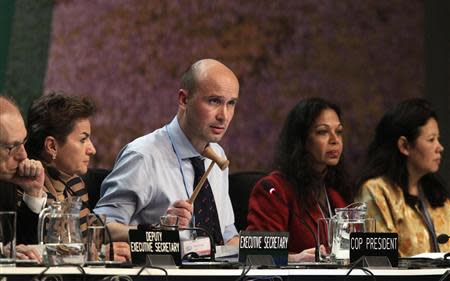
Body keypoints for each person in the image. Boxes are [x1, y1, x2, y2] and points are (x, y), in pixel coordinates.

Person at [95, 59, 240, 245]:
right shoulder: (143, 156)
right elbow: (100, 228)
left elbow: (227, 234)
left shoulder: (217, 155)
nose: (224, 116)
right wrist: (159, 232)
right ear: (184, 100)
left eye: (231, 103)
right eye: (214, 101)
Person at [25, 92, 130, 261]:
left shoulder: (74, 183)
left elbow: (96, 234)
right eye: (83, 140)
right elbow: (45, 250)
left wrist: (148, 233)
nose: (92, 149)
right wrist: (101, 255)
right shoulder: (24, 187)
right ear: (52, 146)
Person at [246, 97, 351, 262]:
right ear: (302, 140)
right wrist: (295, 259)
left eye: (338, 132)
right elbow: (257, 255)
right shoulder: (273, 190)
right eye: (323, 132)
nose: (334, 140)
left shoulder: (336, 196)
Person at [355, 98, 449, 256]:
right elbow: (378, 263)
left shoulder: (437, 194)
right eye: (431, 140)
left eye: (438, 139)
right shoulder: (376, 191)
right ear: (404, 146)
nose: (440, 147)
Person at [0, 95, 45, 261]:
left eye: (23, 142)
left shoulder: (6, 181)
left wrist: (33, 193)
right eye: (12, 147)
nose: (23, 155)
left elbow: (25, 250)